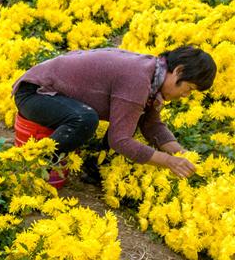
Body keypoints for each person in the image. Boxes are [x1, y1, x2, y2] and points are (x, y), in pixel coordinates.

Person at [12, 45, 215, 182]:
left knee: (131, 118)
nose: (186, 95)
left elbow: (151, 125)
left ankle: (94, 169)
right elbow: (120, 140)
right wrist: (169, 162)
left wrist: (181, 155)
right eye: (189, 88)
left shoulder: (153, 76)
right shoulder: (139, 78)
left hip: (52, 98)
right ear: (178, 71)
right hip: (33, 93)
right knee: (85, 118)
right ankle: (35, 169)